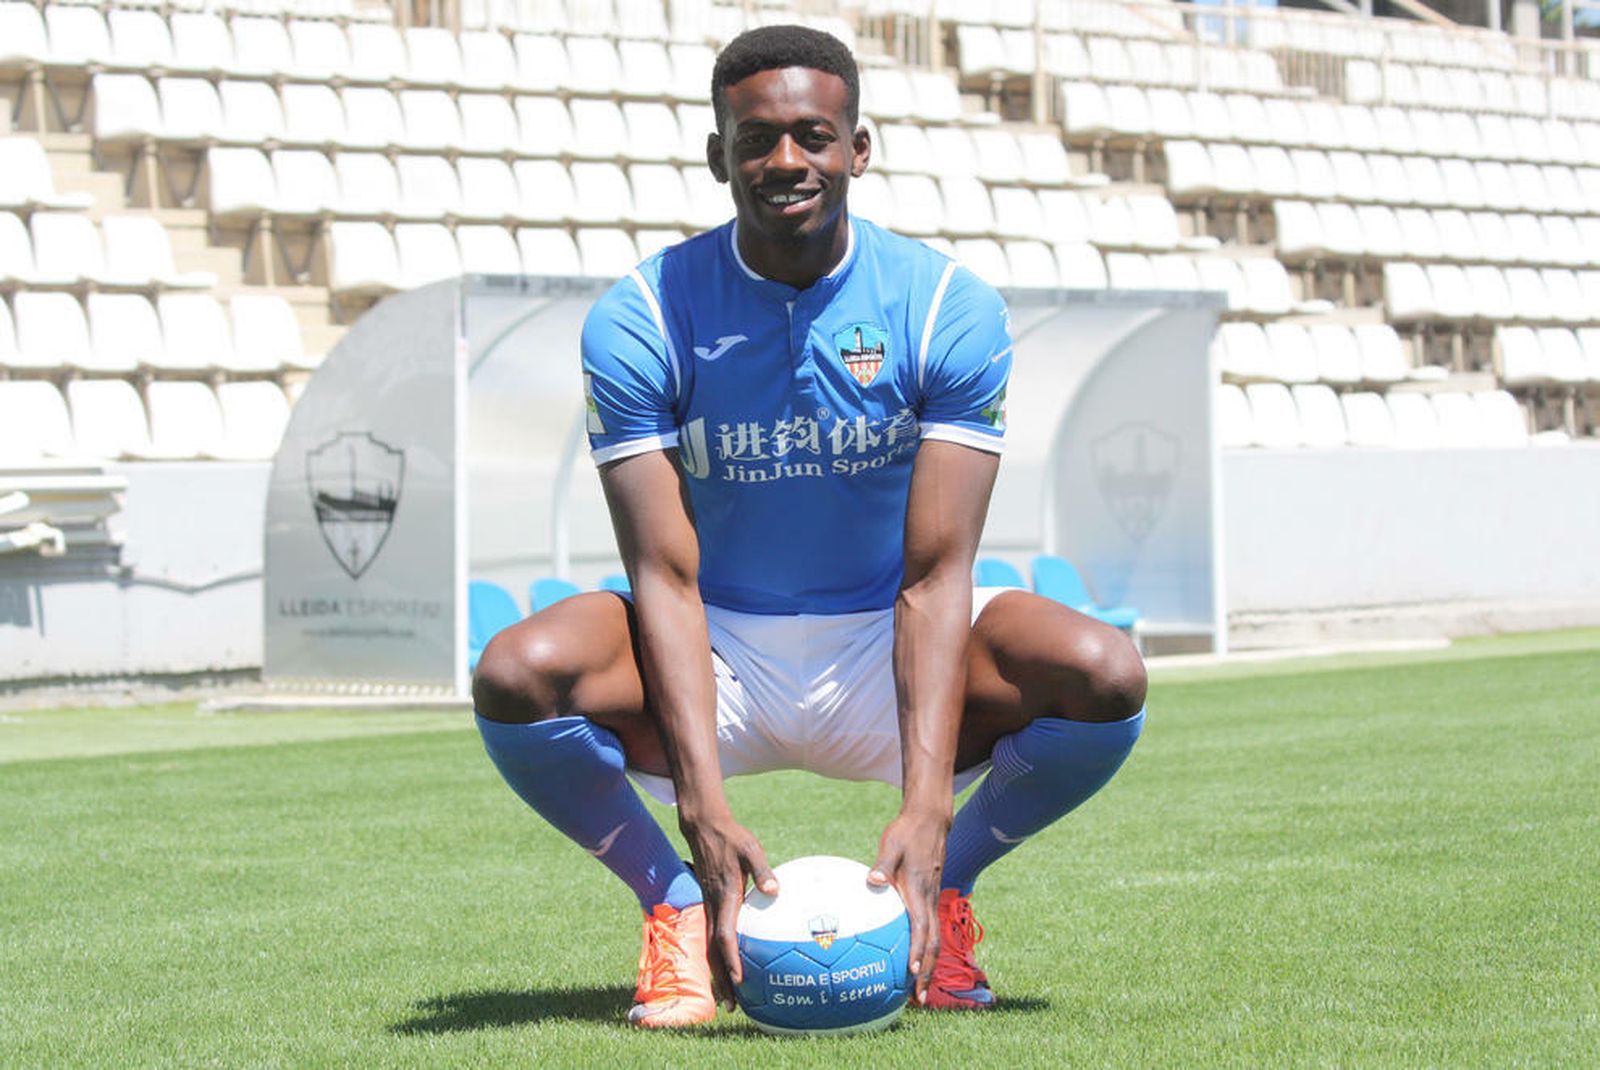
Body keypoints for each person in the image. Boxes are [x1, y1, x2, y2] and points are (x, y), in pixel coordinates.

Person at [472, 24, 1148, 1028]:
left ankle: (942, 888)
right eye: (757, 140)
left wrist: (930, 811)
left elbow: (936, 573)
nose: (786, 160)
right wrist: (702, 812)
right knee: (517, 670)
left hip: (886, 639)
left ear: (856, 149)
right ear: (720, 157)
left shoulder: (945, 306)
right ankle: (674, 905)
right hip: (715, 648)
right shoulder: (641, 314)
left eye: (814, 136)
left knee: (1103, 671)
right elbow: (664, 576)